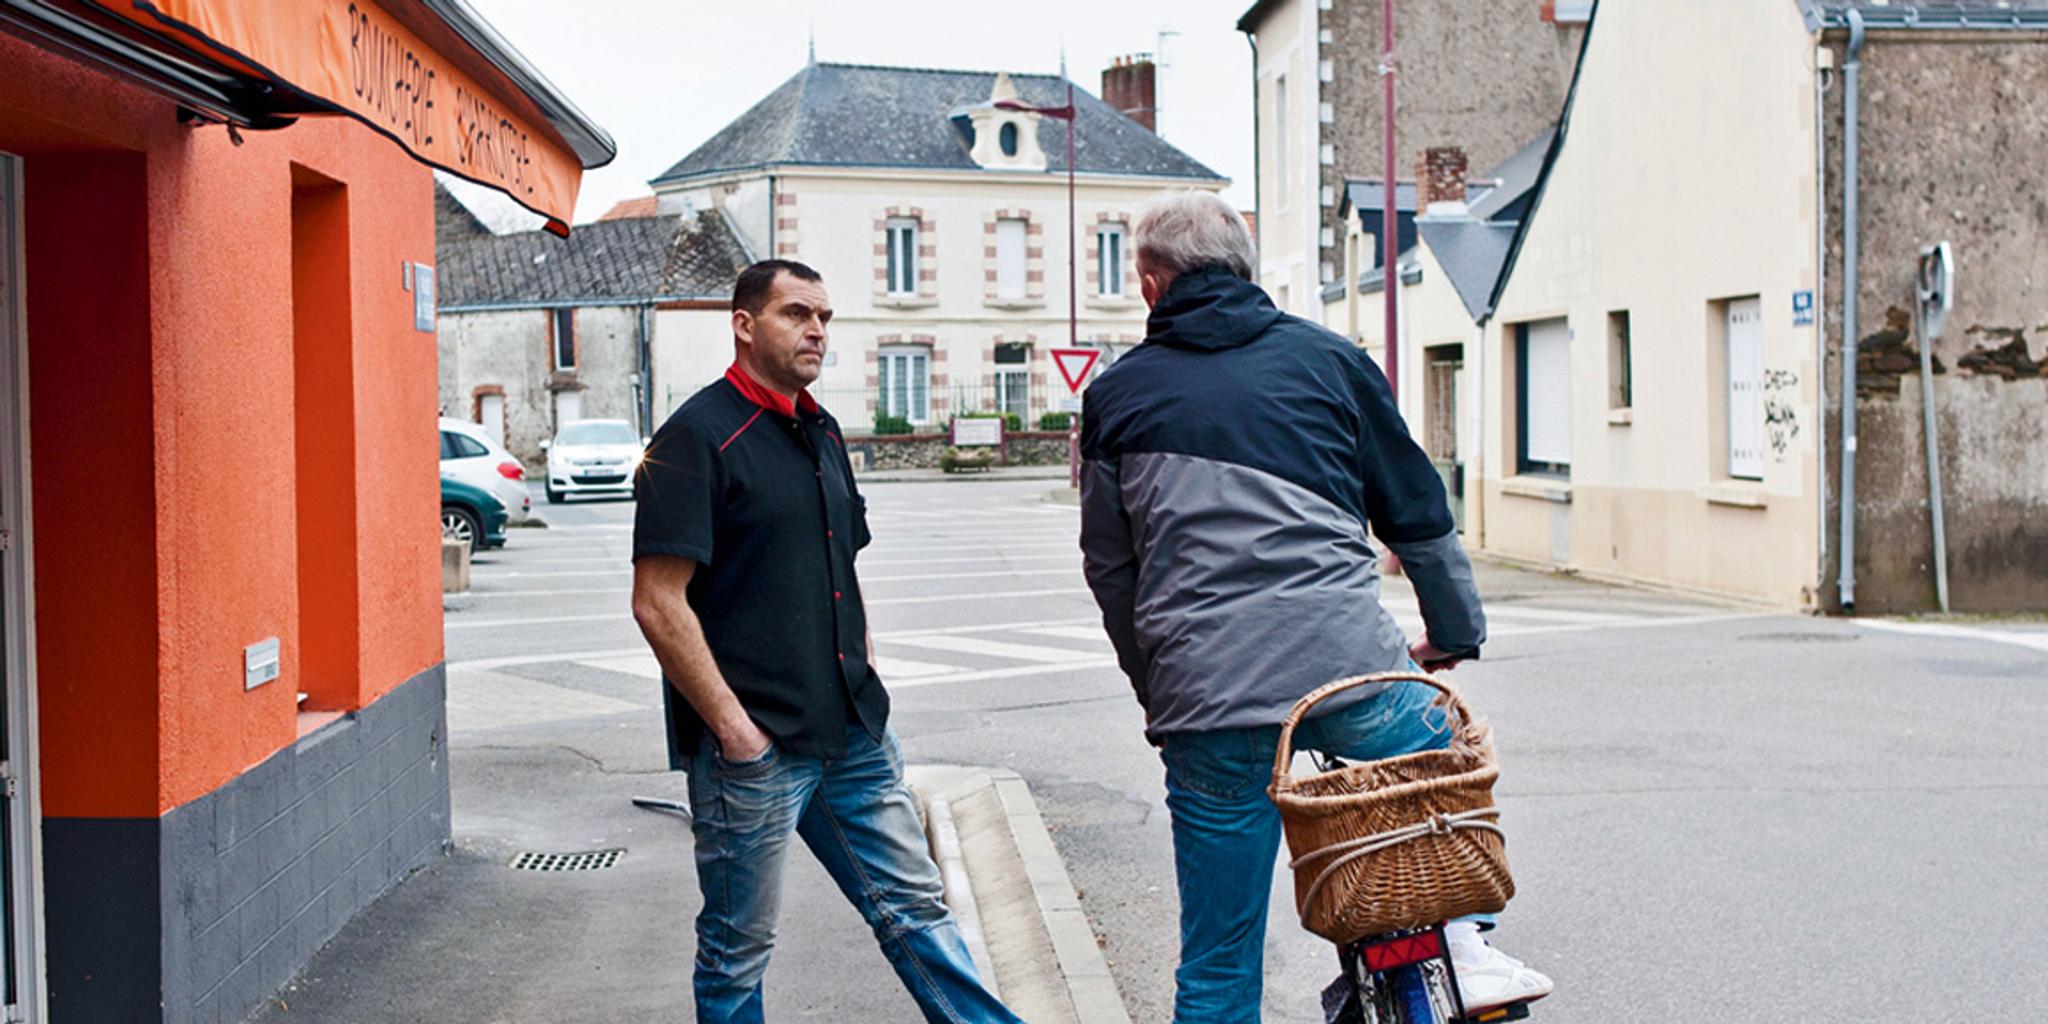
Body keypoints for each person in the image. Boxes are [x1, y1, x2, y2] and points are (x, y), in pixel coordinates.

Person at [1077, 191, 1553, 1023]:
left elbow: (1112, 571)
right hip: (1354, 672)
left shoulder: (1118, 395)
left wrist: (1162, 691)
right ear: (1247, 270)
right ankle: (1465, 942)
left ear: (1151, 284)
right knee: (1446, 770)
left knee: (1219, 959)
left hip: (1207, 696)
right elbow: (1419, 512)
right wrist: (1454, 632)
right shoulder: (1330, 361)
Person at [631, 259, 1023, 1024]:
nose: (816, 330)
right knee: (737, 947)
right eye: (796, 314)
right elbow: (657, 602)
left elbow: (844, 563)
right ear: (744, 324)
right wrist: (736, 733)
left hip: (851, 732)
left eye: (824, 316)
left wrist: (865, 667)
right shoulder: (694, 438)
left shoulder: (820, 428)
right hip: (754, 752)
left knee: (916, 910)